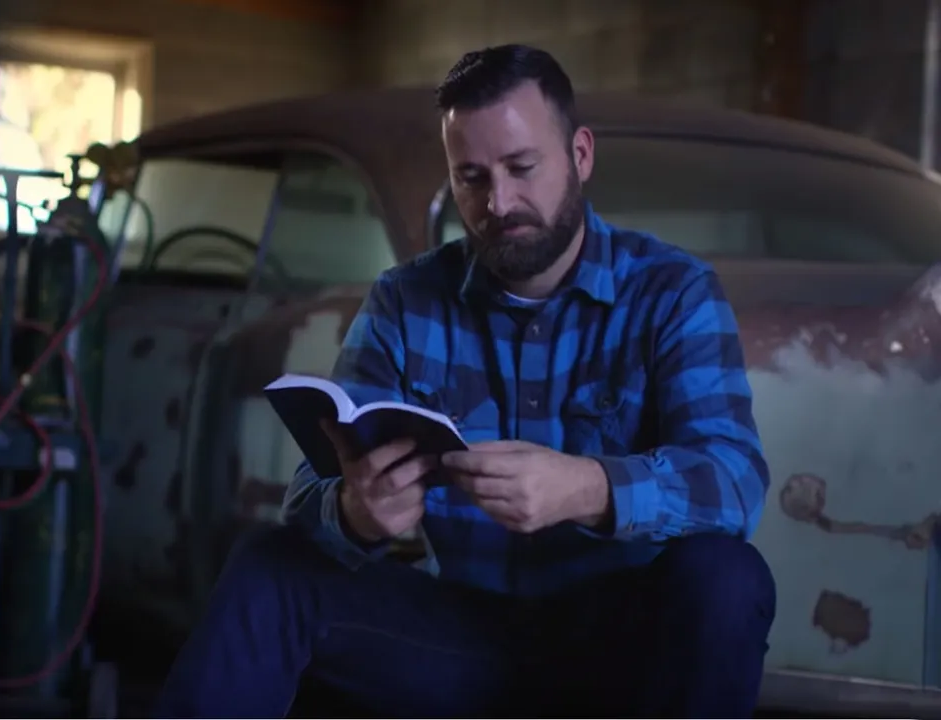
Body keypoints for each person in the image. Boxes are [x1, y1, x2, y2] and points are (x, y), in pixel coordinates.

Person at [152, 43, 775, 718]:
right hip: (458, 640)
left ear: (582, 155)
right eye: (471, 177)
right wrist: (358, 514)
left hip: (624, 647)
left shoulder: (672, 290)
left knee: (729, 579)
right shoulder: (405, 298)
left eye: (521, 167)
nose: (499, 202)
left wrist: (587, 487)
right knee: (270, 565)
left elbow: (734, 479)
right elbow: (311, 494)